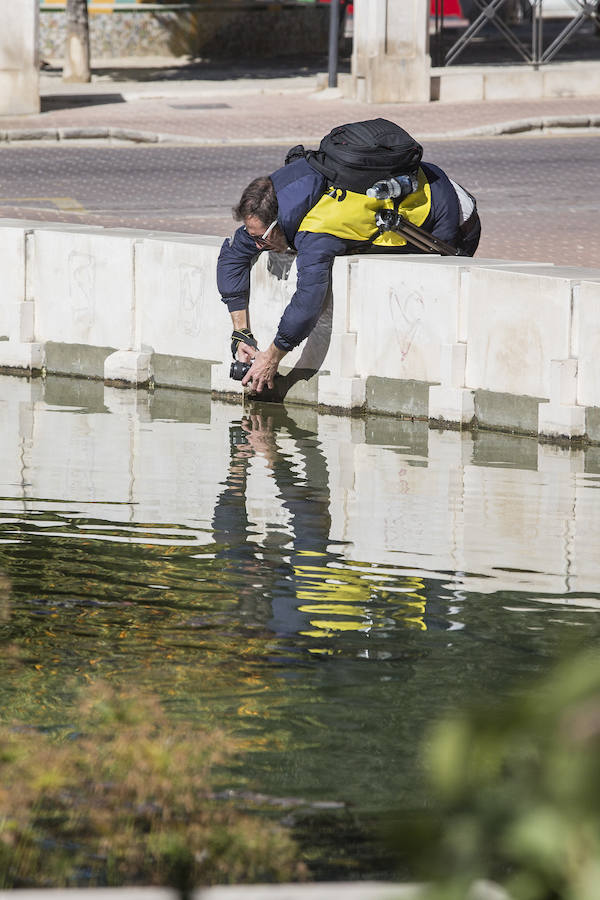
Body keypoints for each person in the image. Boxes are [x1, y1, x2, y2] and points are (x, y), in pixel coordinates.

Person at [217, 134, 481, 395]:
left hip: (452, 216)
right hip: (426, 181)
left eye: (261, 239)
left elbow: (309, 300)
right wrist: (241, 333)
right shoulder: (280, 198)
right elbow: (232, 256)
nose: (259, 246)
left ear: (277, 224)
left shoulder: (317, 230)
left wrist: (272, 357)